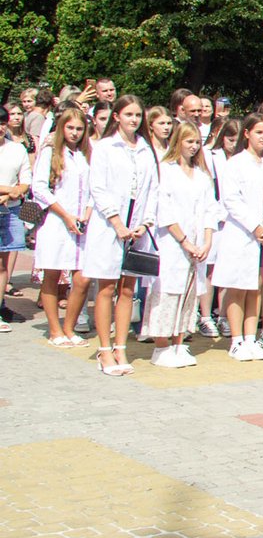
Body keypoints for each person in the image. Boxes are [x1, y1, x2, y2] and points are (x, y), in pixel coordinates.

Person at [82, 95, 158, 376]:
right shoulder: (105, 147)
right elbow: (98, 188)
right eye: (129, 115)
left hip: (137, 229)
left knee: (128, 289)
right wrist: (116, 222)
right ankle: (104, 349)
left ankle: (120, 347)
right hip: (109, 227)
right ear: (117, 117)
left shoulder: (146, 149)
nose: (134, 120)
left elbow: (153, 190)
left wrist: (145, 223)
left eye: (138, 115)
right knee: (106, 288)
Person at [144, 123, 216, 368]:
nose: (193, 147)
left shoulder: (202, 175)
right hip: (173, 243)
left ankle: (178, 342)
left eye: (197, 142)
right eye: (189, 141)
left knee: (189, 293)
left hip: (198, 244)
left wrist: (207, 241)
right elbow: (164, 210)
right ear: (178, 142)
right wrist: (184, 241)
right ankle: (161, 345)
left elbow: (210, 210)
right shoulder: (166, 170)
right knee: (167, 292)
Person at [213, 114, 263, 361]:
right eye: (259, 132)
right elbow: (231, 200)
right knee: (238, 286)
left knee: (257, 287)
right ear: (247, 134)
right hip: (242, 233)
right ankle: (236, 340)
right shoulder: (235, 164)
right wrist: (255, 226)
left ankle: (251, 338)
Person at [32, 107, 92, 346]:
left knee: (82, 278)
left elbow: (94, 187)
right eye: (70, 128)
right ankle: (55, 330)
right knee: (53, 274)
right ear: (61, 128)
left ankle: (69, 327)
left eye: (79, 128)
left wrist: (87, 212)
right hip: (56, 221)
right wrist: (65, 214)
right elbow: (39, 187)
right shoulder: (51, 151)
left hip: (82, 223)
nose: (75, 133)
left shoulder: (86, 153)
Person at [0, 114, 31, 329]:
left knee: (3, 264)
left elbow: (26, 182)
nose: (0, 128)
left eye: (2, 123)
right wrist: (10, 190)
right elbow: (16, 188)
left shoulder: (17, 149)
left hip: (9, 211)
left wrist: (12, 194)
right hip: (9, 200)